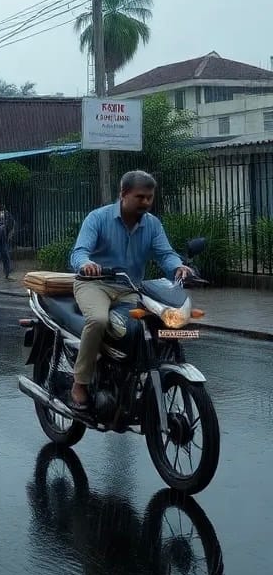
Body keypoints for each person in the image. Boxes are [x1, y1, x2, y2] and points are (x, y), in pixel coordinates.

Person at [68, 170, 192, 410]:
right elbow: (79, 251)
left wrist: (178, 268)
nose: (146, 202)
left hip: (130, 288)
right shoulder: (98, 218)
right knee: (98, 320)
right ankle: (80, 382)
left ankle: (132, 372)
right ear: (123, 194)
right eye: (140, 197)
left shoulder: (152, 224)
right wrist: (86, 264)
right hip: (95, 284)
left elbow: (165, 254)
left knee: (149, 325)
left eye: (149, 197)